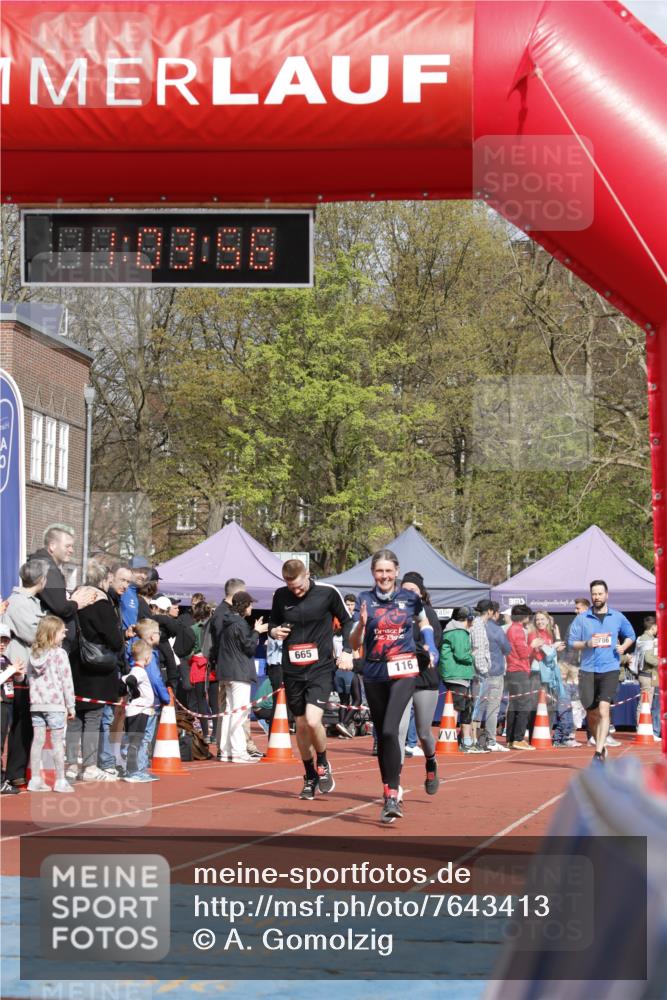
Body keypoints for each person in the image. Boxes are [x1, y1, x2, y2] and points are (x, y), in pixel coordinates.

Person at [348, 550, 438, 823]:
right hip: (374, 671)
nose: (384, 576)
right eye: (379, 571)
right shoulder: (364, 599)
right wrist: (361, 625)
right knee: (383, 735)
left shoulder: (410, 598)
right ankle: (389, 791)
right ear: (373, 574)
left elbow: (423, 621)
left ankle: (396, 790)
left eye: (388, 571)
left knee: (390, 729)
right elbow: (354, 643)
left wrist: (429, 644)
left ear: (397, 572)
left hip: (404, 668)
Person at [269, 559, 352, 800]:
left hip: (320, 667)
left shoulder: (328, 592)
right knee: (301, 726)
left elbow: (347, 621)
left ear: (307, 574)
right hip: (293, 669)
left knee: (314, 721)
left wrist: (347, 650)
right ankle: (309, 774)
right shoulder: (280, 596)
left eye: (299, 586)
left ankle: (323, 762)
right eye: (291, 587)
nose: (296, 591)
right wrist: (274, 632)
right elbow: (273, 622)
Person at [65, 559, 124, 783]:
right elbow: (114, 639)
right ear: (104, 578)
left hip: (75, 663)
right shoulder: (101, 602)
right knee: (93, 717)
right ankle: (89, 766)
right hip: (97, 667)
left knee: (75, 716)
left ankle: (71, 764)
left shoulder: (75, 599)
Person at [567, 580, 635, 763]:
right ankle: (601, 745)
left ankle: (597, 753)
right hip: (588, 670)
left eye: (599, 593)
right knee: (591, 713)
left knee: (604, 709)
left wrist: (624, 647)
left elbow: (631, 635)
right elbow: (571, 642)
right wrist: (587, 644)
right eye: (594, 594)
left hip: (610, 669)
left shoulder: (618, 617)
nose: (596, 597)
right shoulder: (582, 618)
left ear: (607, 595)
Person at [1, 559, 49, 787]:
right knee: (18, 722)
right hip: (18, 671)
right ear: (41, 580)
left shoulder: (31, 602)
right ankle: (14, 771)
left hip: (28, 670)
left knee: (26, 722)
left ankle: (18, 770)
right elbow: (32, 633)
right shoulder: (19, 602)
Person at [397, 571, 442, 794]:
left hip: (425, 679)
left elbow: (432, 646)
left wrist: (413, 650)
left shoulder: (429, 615)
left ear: (421, 593)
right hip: (401, 678)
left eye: (412, 590)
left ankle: (431, 761)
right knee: (399, 730)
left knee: (424, 732)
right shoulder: (394, 614)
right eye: (404, 589)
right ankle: (394, 782)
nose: (408, 593)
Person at [28, 523, 98, 650]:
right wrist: (76, 602)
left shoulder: (48, 566)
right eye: (68, 546)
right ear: (52, 546)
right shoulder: (47, 568)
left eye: (72, 546)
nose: (71, 550)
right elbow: (61, 607)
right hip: (51, 645)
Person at [27, 615, 75, 793]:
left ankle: (35, 779)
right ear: (53, 633)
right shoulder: (60, 654)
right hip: (55, 704)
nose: (64, 635)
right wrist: (71, 706)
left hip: (37, 704)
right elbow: (66, 681)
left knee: (37, 741)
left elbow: (28, 678)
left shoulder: (33, 654)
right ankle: (60, 780)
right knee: (57, 742)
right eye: (62, 632)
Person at [218, 591, 268, 762]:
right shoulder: (239, 623)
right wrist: (256, 632)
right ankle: (238, 751)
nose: (252, 607)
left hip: (227, 671)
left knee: (229, 711)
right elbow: (248, 647)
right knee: (239, 712)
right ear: (244, 606)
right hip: (239, 672)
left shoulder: (227, 621)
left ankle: (226, 751)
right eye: (250, 604)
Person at [132, 619, 171, 778]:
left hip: (136, 702)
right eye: (158, 633)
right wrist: (165, 697)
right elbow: (155, 678)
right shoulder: (149, 655)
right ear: (150, 636)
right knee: (145, 737)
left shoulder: (134, 649)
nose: (160, 635)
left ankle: (135, 768)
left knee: (135, 735)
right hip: (148, 702)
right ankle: (139, 770)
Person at [439, 607, 480, 753]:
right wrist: (473, 654)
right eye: (473, 618)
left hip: (459, 674)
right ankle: (454, 740)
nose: (474, 621)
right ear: (468, 619)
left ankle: (466, 740)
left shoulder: (455, 631)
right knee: (458, 707)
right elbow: (462, 655)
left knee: (466, 708)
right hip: (457, 675)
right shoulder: (459, 632)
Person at [473, 601, 511, 751]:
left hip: (479, 671)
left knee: (478, 707)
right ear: (492, 612)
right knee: (493, 707)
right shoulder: (495, 629)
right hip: (493, 671)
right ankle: (490, 740)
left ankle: (474, 738)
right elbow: (507, 648)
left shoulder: (475, 625)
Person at [505, 605, 543, 750]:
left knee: (514, 706)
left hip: (512, 670)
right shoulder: (518, 630)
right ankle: (519, 738)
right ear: (525, 617)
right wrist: (533, 645)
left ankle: (510, 738)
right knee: (523, 705)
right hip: (519, 670)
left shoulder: (510, 629)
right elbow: (524, 653)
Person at [122, 639, 156, 782]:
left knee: (135, 740)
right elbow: (130, 680)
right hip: (138, 711)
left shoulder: (135, 669)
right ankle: (132, 771)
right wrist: (135, 692)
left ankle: (132, 770)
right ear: (147, 657)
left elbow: (125, 679)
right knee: (135, 741)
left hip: (138, 710)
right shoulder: (139, 671)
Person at [0, 625, 27, 794]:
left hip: (6, 704)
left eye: (5, 640)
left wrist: (18, 673)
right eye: (0, 640)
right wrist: (11, 670)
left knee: (2, 743)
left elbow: (16, 678)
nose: (2, 644)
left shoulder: (5, 659)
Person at [633, 615, 661, 741]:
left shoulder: (641, 638)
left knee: (646, 704)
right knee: (645, 704)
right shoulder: (648, 640)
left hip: (645, 675)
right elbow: (649, 658)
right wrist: (661, 662)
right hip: (647, 675)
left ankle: (644, 730)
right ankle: (642, 730)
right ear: (653, 627)